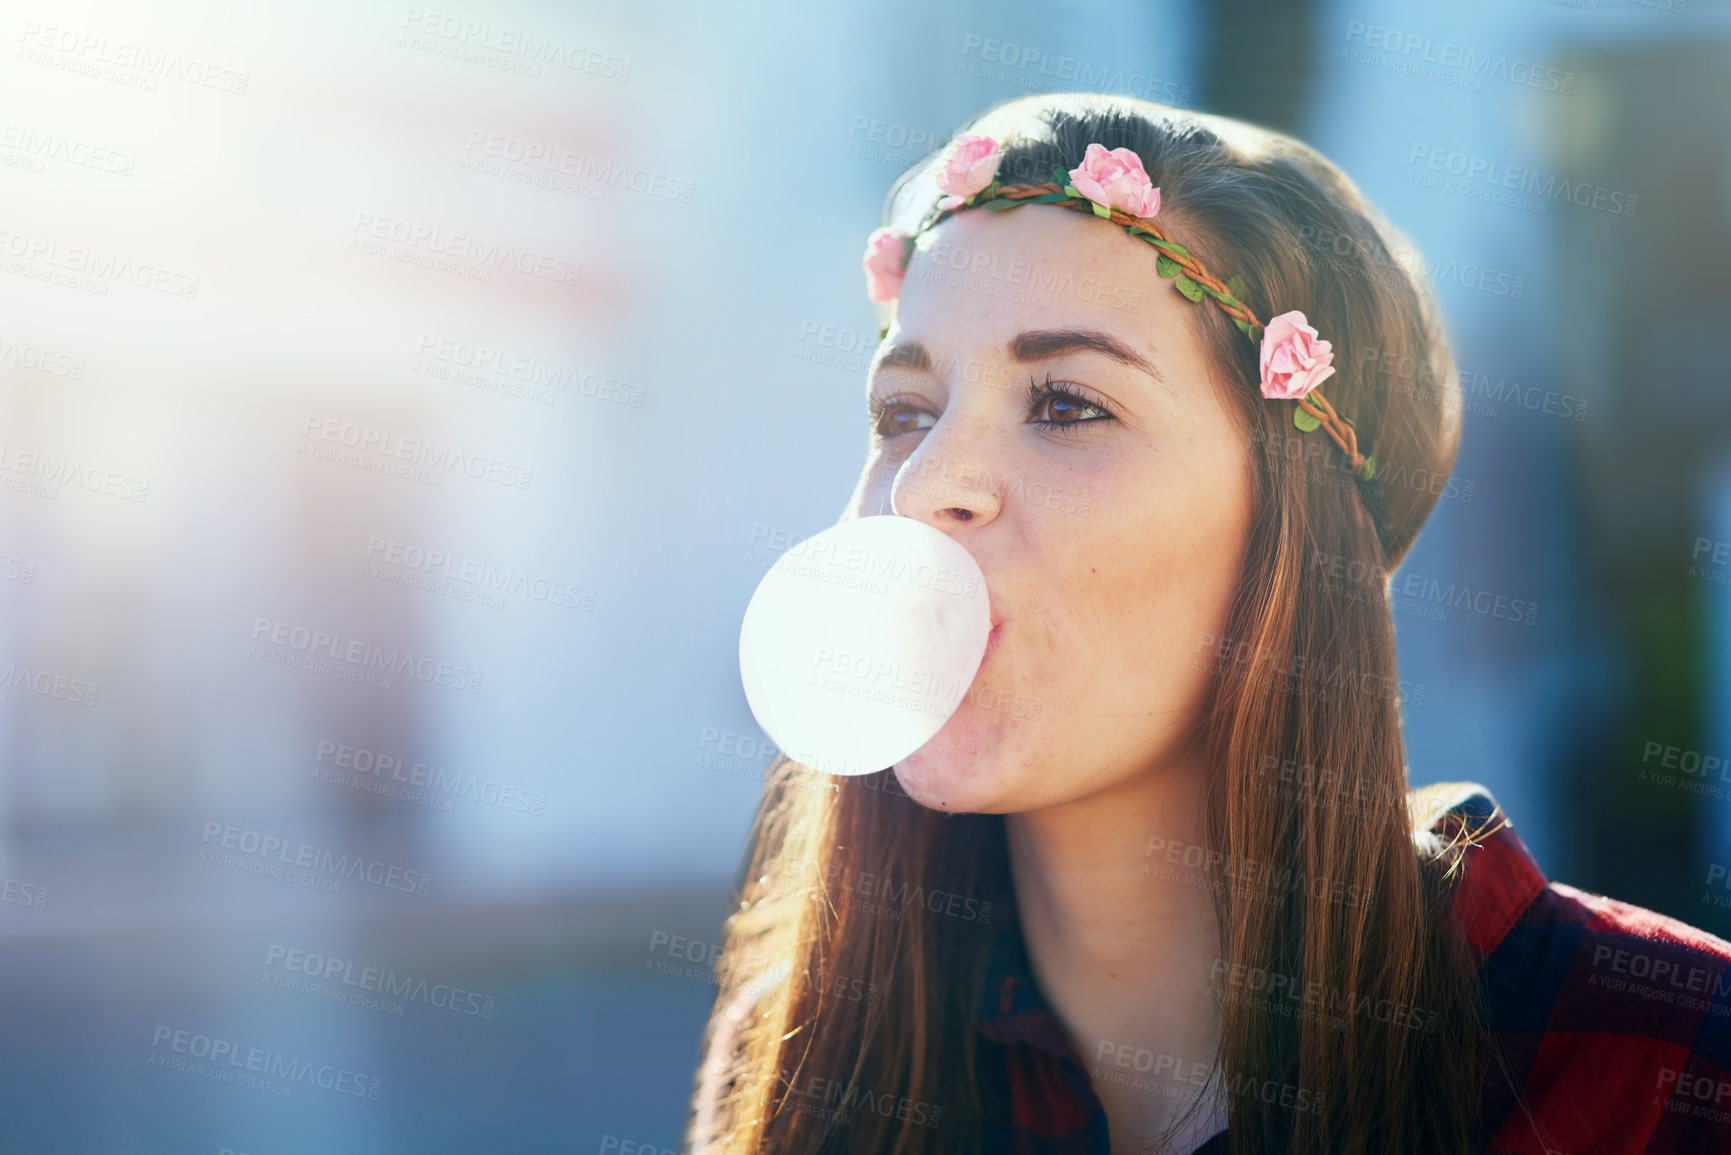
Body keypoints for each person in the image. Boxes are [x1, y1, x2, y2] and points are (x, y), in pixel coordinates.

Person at [682, 92, 1731, 1155]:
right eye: (905, 413)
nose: (921, 488)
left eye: (1067, 406)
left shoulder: (1676, 1065)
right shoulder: (792, 1058)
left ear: (1300, 528)